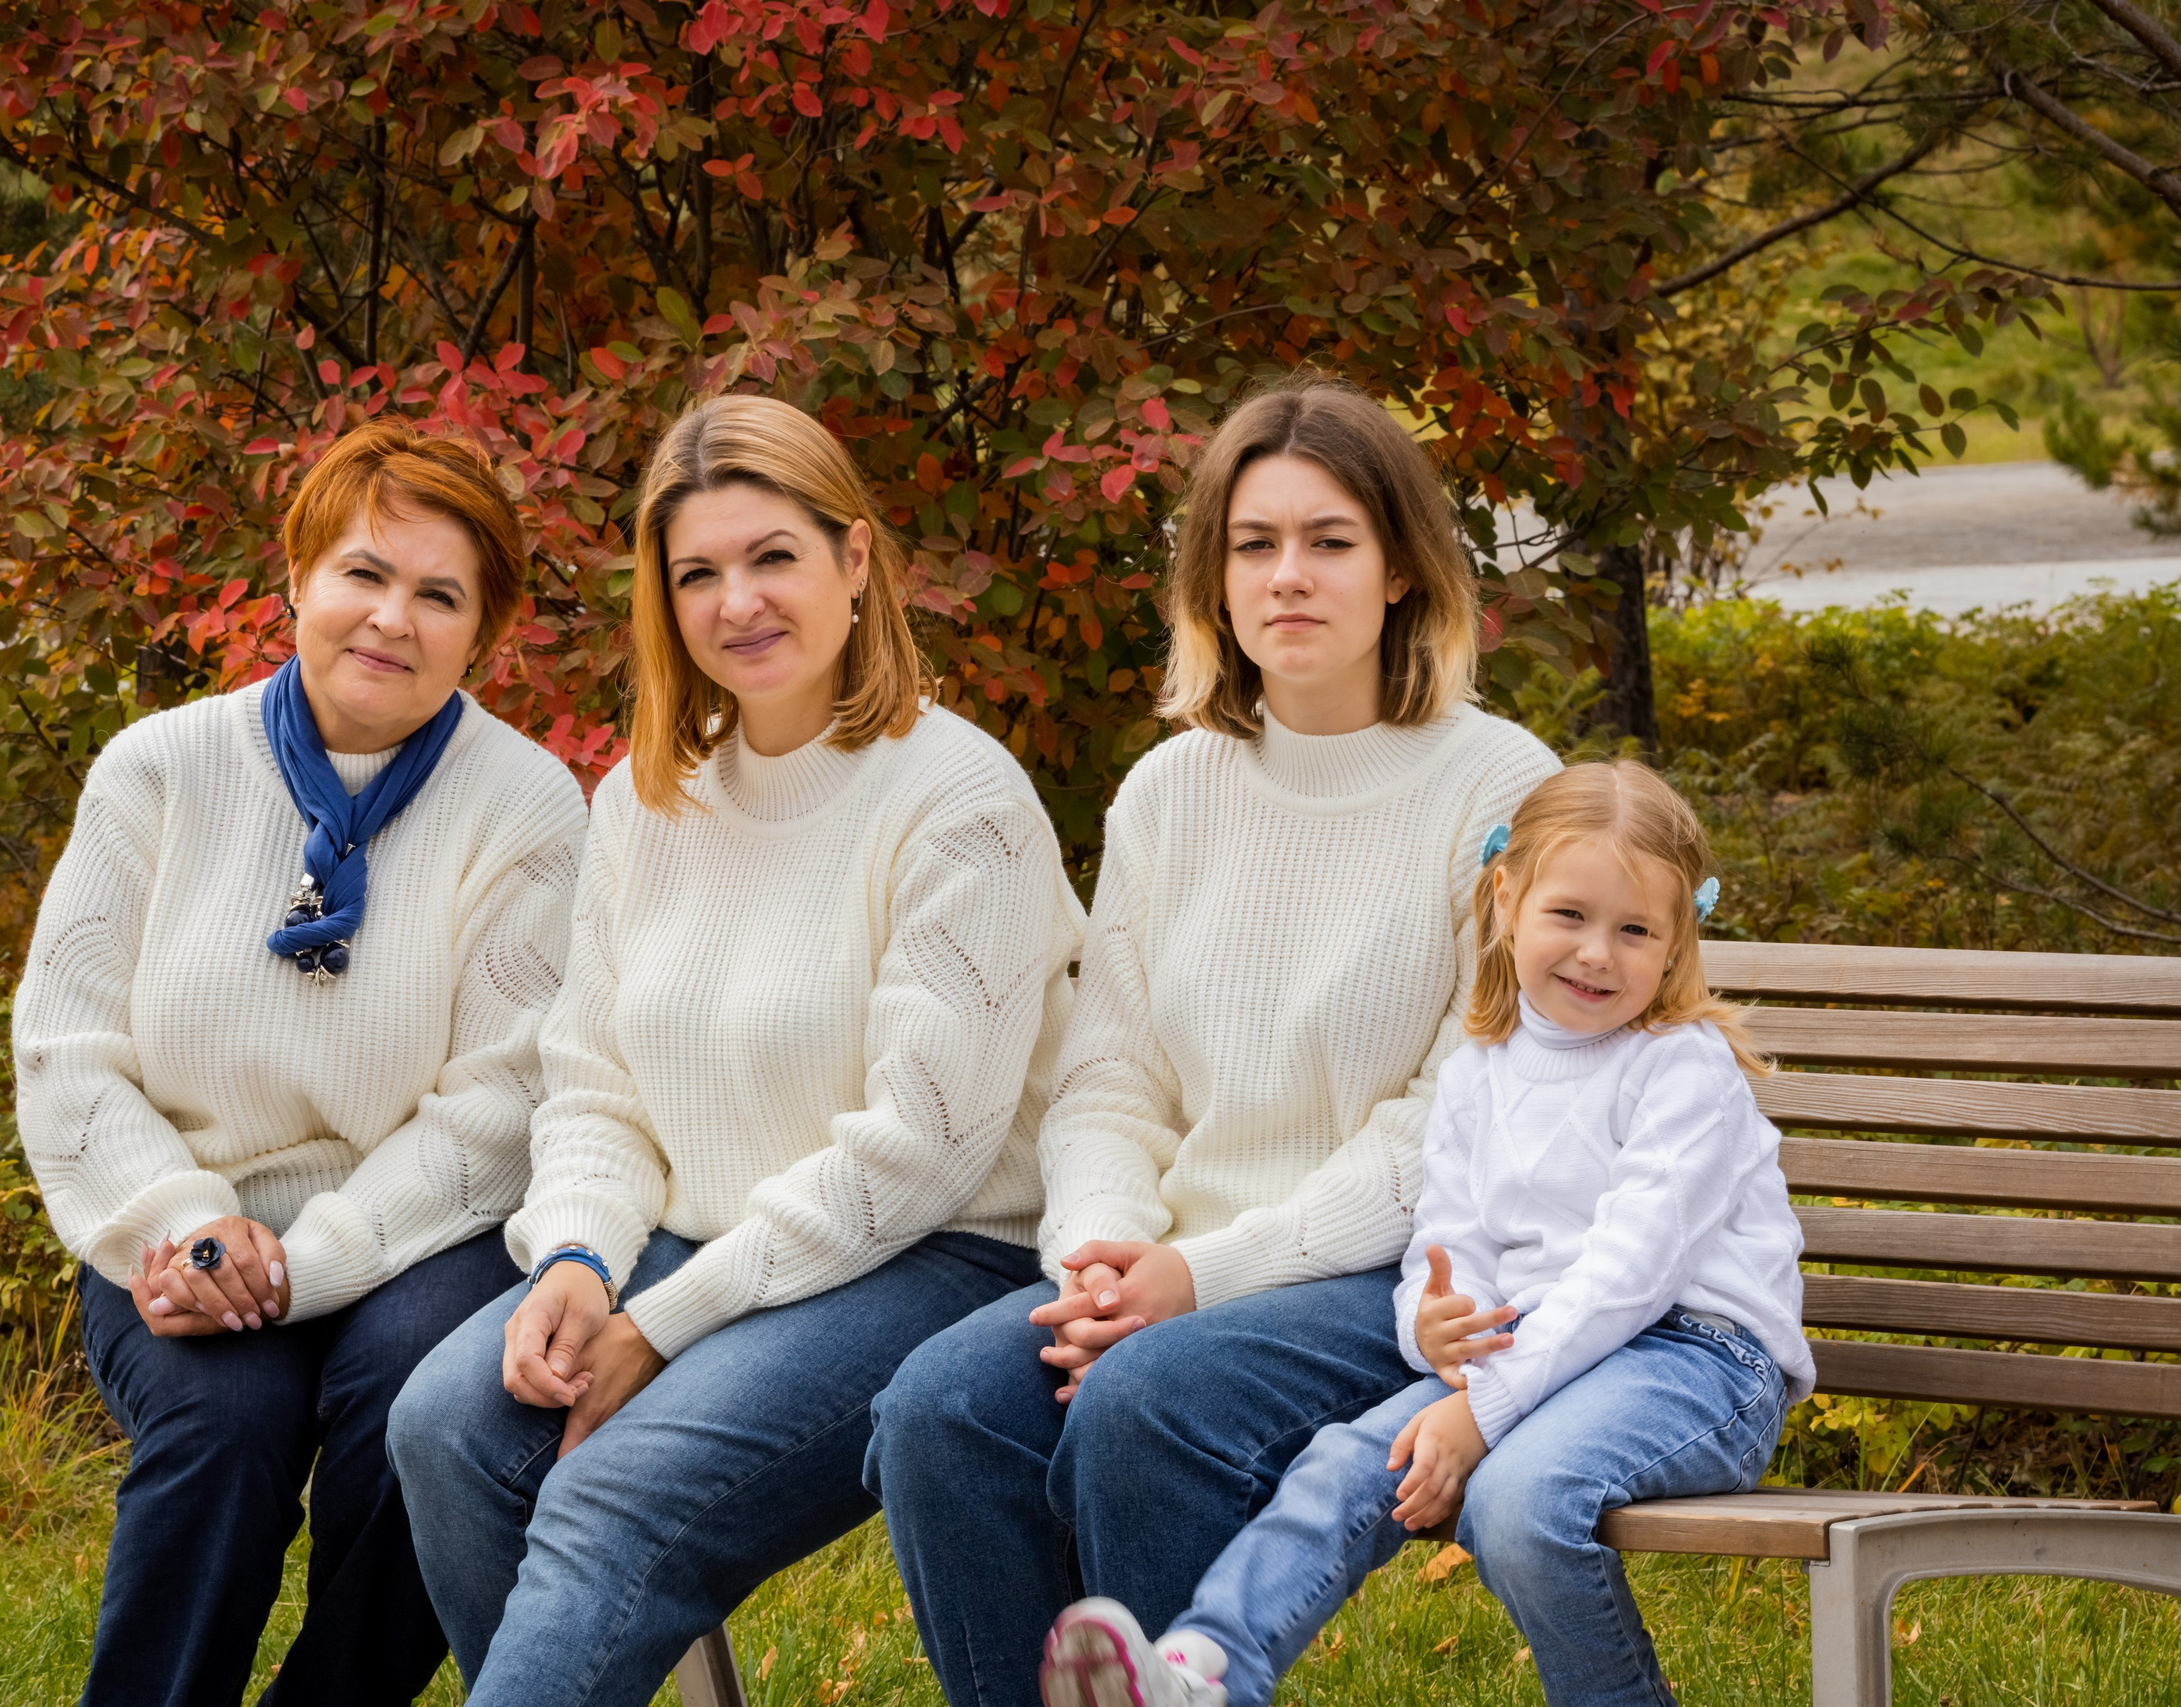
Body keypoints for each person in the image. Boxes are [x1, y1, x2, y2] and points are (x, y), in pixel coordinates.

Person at [866, 373, 1563, 1707]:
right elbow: (1108, 1074)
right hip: (1169, 1266)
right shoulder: (1171, 789)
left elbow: (1453, 1121)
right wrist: (1098, 1260)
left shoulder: (1501, 789)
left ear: (1405, 570)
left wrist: (1201, 1272)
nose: (1287, 576)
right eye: (1254, 544)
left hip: (1396, 1281)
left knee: (1145, 1405)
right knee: (941, 1406)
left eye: (1329, 540)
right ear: (1213, 576)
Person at [386, 395, 1085, 1707]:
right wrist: (586, 1261)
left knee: (617, 1493)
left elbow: (923, 1148)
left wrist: (665, 1319)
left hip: (935, 1251)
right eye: (695, 571)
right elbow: (594, 1087)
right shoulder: (645, 798)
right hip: (689, 1242)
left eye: (773, 556)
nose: (737, 601)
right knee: (446, 1424)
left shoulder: (959, 799)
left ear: (857, 561)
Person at [11, 421, 589, 1707]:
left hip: (418, 1229)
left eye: (440, 595)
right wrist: (190, 1230)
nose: (392, 619)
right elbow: (66, 1054)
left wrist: (309, 1262)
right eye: (364, 574)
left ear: (482, 631)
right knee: (226, 1425)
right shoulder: (158, 769)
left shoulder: (529, 803)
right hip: (176, 1223)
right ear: (297, 583)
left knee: (430, 1409)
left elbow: (503, 1100)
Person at [1034, 759, 1812, 1707]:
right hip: (1533, 1352)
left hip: (1699, 1363)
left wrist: (1480, 1413)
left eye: (1636, 930)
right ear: (1505, 899)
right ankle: (1206, 1673)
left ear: (1678, 938)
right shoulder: (1483, 1068)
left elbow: (1630, 1274)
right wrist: (1433, 1328)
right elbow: (1450, 1243)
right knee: (1344, 1464)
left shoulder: (1680, 1069)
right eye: (1569, 915)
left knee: (1518, 1499)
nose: (1598, 953)